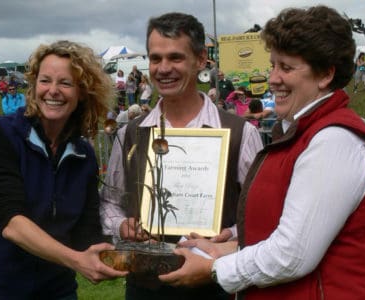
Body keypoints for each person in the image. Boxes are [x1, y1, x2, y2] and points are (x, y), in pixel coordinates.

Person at [158, 6, 365, 299]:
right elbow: (288, 227)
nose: (272, 79)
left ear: (325, 74)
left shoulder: (334, 140)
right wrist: (228, 245)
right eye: (273, 65)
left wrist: (215, 269)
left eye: (286, 67)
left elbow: (292, 254)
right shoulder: (302, 132)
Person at [100, 12, 263, 300]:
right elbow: (110, 202)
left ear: (201, 60)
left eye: (175, 57)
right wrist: (121, 225)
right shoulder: (129, 135)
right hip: (145, 287)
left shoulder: (241, 133)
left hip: (215, 285)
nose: (163, 69)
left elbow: (263, 213)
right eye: (155, 58)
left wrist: (231, 233)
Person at [0, 40, 127, 299]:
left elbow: (86, 232)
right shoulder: (0, 135)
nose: (53, 91)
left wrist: (127, 242)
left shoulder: (84, 155)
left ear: (82, 92)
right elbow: (13, 223)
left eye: (66, 83)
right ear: (34, 85)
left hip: (56, 289)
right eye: (45, 80)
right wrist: (76, 260)